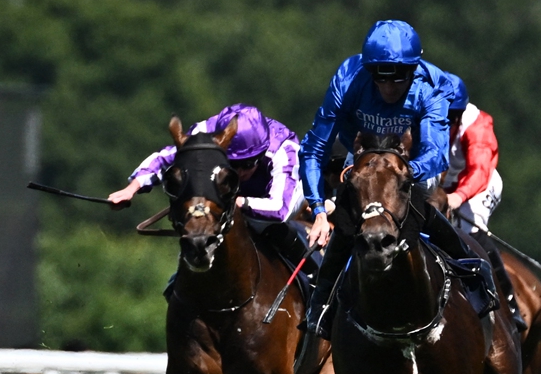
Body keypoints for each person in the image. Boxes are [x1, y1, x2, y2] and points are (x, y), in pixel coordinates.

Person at [297, 19, 489, 337]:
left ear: (414, 69)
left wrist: (398, 175)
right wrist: (318, 209)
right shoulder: (348, 78)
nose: (389, 88)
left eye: (399, 78)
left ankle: (473, 275)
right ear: (368, 70)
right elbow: (314, 147)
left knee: (417, 208)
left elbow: (436, 153)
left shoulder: (432, 84)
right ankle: (321, 307)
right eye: (380, 78)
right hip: (363, 160)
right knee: (346, 218)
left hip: (410, 165)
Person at [109, 104, 310, 265]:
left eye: (247, 164)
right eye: (232, 164)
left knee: (259, 223)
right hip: (225, 190)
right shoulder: (205, 134)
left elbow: (280, 209)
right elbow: (167, 158)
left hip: (280, 196)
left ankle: (312, 273)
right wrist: (131, 189)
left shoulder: (284, 151)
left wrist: (237, 203)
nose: (239, 172)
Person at [438, 73, 525, 331]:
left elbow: (478, 171)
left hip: (479, 185)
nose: (447, 122)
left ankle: (510, 306)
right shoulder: (428, 116)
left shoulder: (475, 126)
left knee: (470, 229)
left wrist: (457, 197)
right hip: (444, 186)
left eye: (452, 116)